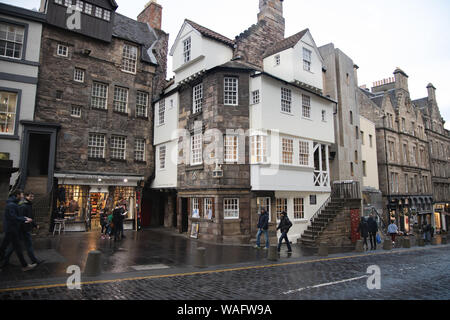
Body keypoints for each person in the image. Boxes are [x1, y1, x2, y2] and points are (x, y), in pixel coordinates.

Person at [2, 192, 43, 267]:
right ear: (26, 197)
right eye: (30, 196)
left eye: (33, 196)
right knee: (28, 245)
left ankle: (5, 261)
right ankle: (34, 260)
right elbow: (21, 217)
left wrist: (34, 224)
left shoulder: (27, 204)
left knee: (13, 246)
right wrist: (27, 225)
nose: (32, 198)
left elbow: (29, 217)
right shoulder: (24, 205)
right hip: (23, 228)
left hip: (21, 228)